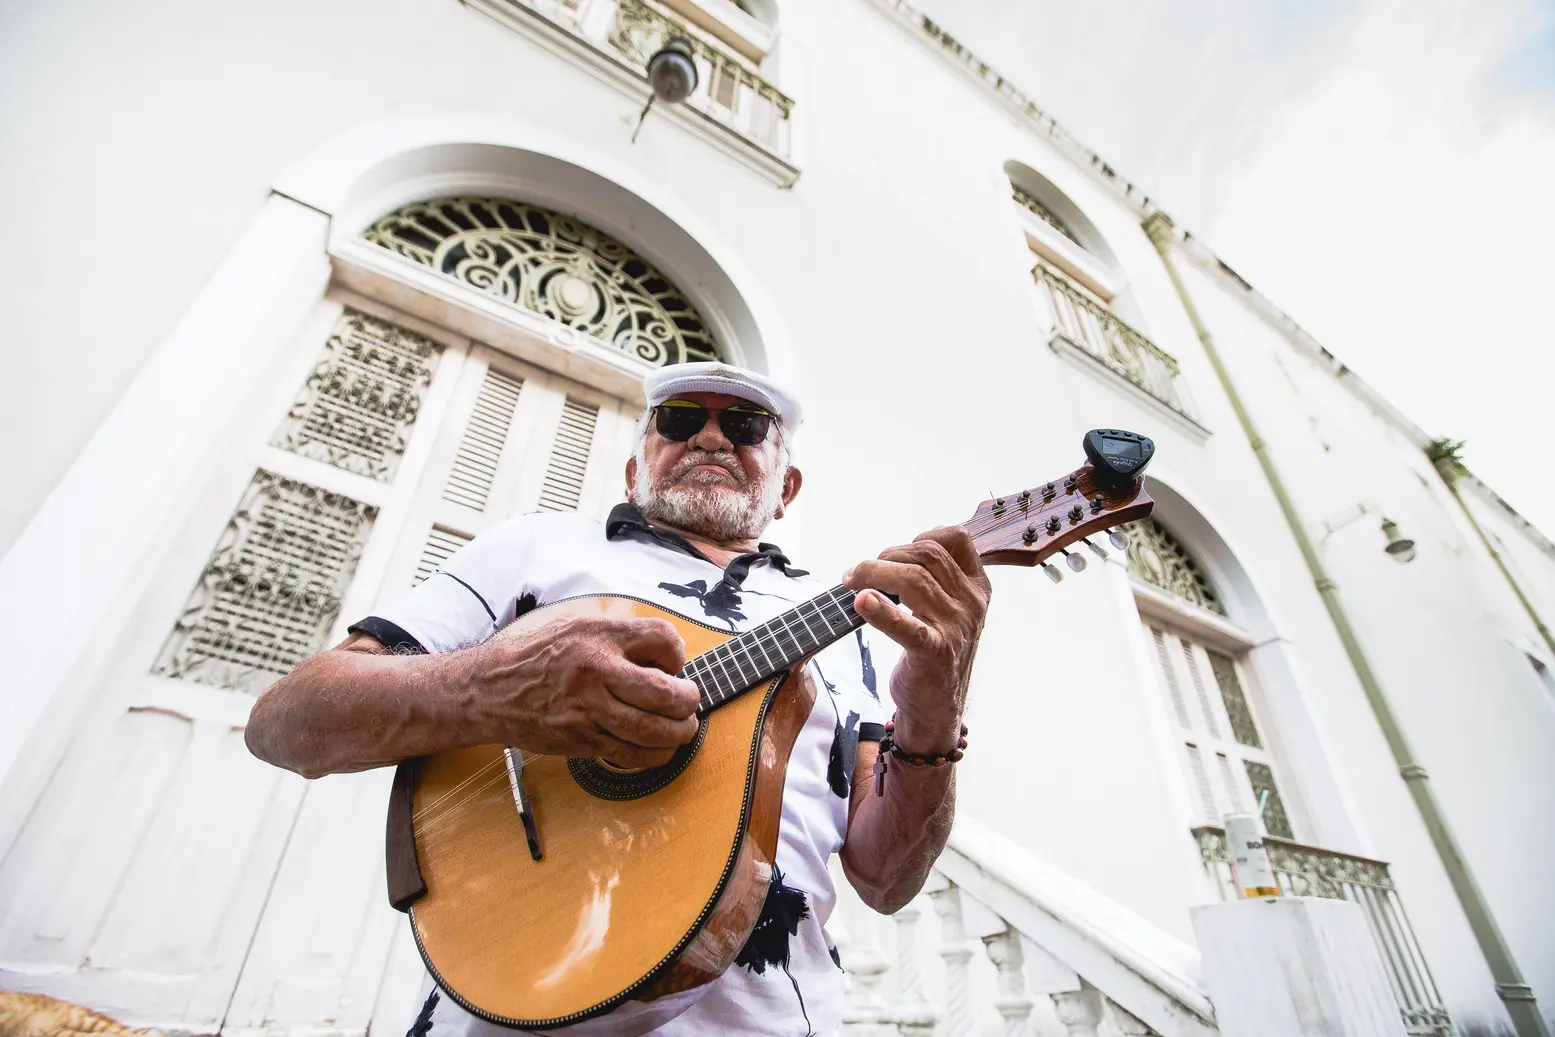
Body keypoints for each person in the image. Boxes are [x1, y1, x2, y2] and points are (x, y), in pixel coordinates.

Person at [245, 361, 991, 1036]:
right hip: (509, 1004)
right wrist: (492, 691)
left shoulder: (850, 622)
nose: (708, 436)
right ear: (637, 465)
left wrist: (933, 707)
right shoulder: (539, 548)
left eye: (743, 425)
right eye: (678, 419)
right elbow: (285, 722)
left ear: (785, 487)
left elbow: (887, 879)